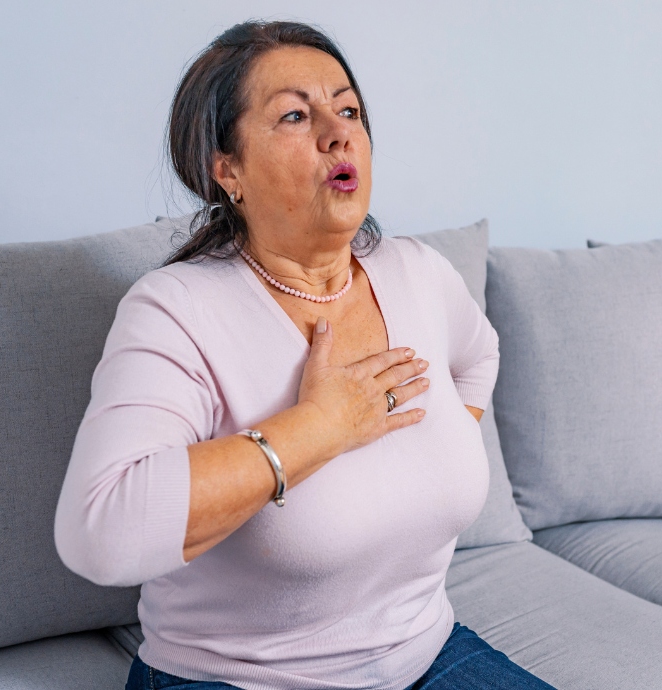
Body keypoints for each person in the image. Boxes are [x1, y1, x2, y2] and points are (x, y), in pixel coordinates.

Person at [54, 20, 556, 690]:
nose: (338, 132)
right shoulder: (177, 309)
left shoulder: (419, 273)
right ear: (227, 168)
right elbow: (101, 532)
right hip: (233, 679)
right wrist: (319, 429)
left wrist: (430, 450)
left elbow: (480, 354)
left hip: (428, 652)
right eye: (295, 115)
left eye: (348, 110)